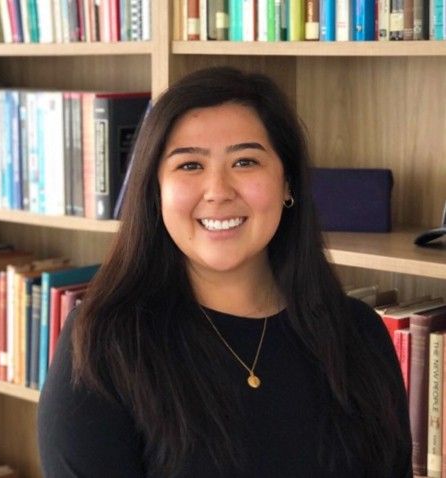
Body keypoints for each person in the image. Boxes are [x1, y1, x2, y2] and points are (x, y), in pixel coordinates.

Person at [37, 66, 412, 478]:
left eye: (245, 161)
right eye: (189, 166)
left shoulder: (358, 334)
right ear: (155, 191)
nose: (218, 190)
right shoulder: (102, 346)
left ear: (287, 183)